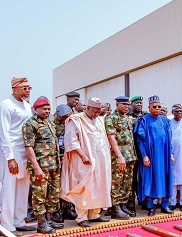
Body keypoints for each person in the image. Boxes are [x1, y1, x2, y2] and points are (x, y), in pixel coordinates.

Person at [60, 97, 112, 228]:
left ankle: (94, 214)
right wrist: (83, 156)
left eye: (98, 111)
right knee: (84, 187)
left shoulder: (99, 120)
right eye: (94, 111)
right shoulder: (76, 120)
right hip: (83, 160)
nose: (96, 114)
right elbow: (72, 141)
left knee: (99, 185)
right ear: (87, 108)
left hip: (100, 160)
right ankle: (81, 216)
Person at [0, 77, 36, 236]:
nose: (27, 91)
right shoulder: (6, 105)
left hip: (24, 151)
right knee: (9, 188)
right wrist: (10, 158)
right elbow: (4, 133)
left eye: (29, 88)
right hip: (11, 151)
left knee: (23, 187)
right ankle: (6, 225)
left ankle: (19, 221)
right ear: (14, 89)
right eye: (24, 88)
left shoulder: (27, 106)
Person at [22, 97, 64, 234]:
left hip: (54, 165)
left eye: (48, 109)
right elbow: (29, 148)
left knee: (53, 194)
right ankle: (41, 223)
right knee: (39, 195)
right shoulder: (30, 124)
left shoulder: (50, 122)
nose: (47, 111)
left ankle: (49, 219)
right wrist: (36, 168)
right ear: (36, 109)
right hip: (41, 166)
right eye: (44, 109)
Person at [135, 95, 174, 216]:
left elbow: (169, 138)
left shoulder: (165, 120)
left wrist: (171, 153)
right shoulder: (144, 120)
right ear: (149, 107)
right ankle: (151, 206)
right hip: (151, 156)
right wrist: (144, 156)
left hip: (164, 155)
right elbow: (140, 140)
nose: (157, 109)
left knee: (166, 177)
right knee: (150, 178)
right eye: (154, 107)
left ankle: (165, 205)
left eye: (159, 107)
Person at [104, 96, 135, 219]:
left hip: (130, 155)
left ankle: (123, 205)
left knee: (127, 182)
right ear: (117, 104)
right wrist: (119, 156)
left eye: (128, 104)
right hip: (118, 156)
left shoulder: (127, 118)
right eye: (123, 104)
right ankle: (115, 208)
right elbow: (111, 138)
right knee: (116, 182)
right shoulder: (111, 118)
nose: (126, 106)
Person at [52, 104, 74, 223]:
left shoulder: (69, 122)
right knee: (56, 186)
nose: (66, 119)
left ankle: (67, 208)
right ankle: (56, 211)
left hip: (67, 156)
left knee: (67, 184)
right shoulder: (51, 123)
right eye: (64, 117)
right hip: (55, 158)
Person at [126, 95, 146, 212]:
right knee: (132, 178)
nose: (139, 105)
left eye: (140, 103)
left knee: (143, 176)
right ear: (131, 104)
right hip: (131, 151)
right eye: (137, 103)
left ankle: (143, 200)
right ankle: (131, 203)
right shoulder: (127, 117)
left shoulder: (146, 116)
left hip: (143, 151)